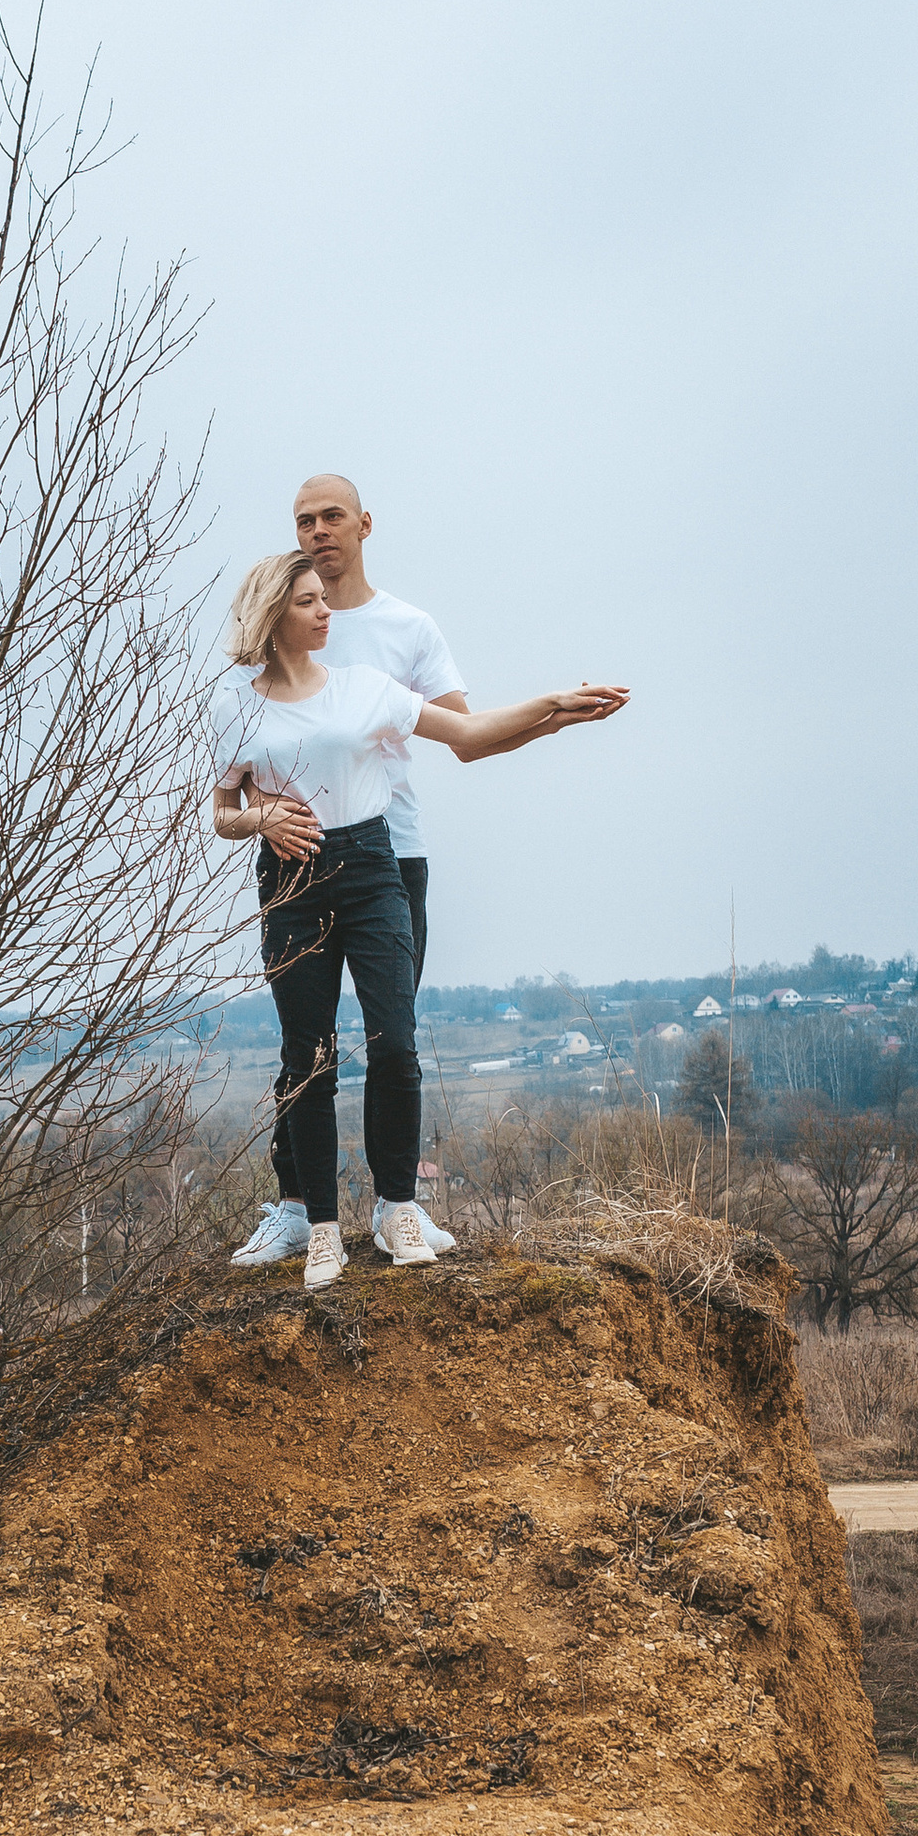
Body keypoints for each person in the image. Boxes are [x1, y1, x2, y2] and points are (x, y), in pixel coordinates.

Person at [212, 552, 624, 1290]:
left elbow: (469, 735)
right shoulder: (234, 706)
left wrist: (555, 709)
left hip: (373, 869)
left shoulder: (367, 689)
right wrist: (261, 815)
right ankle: (324, 1233)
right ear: (274, 615)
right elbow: (222, 813)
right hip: (291, 881)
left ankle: (398, 1209)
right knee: (308, 1060)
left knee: (395, 1044)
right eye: (307, 601)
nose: (324, 610)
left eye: (323, 598)